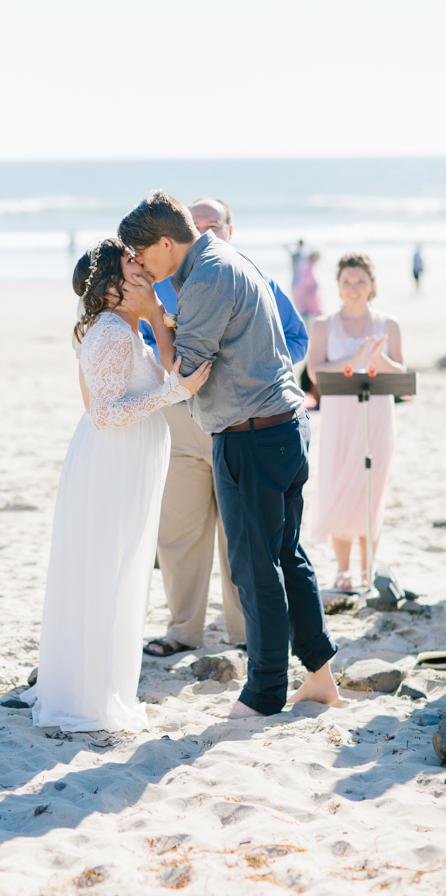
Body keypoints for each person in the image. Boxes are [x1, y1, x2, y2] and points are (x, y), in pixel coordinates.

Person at [118, 192, 338, 718]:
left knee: (254, 567)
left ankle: (264, 694)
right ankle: (321, 676)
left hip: (252, 437)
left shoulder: (207, 278)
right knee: (287, 556)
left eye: (143, 255)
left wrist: (151, 313)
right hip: (281, 427)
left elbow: (188, 376)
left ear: (166, 243)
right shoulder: (225, 258)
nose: (142, 265)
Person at [21, 238, 209, 732]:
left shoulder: (129, 328)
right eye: (131, 263)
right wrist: (173, 393)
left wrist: (153, 315)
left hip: (127, 461)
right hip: (109, 463)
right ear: (109, 285)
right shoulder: (107, 333)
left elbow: (162, 367)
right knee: (105, 572)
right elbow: (102, 414)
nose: (143, 266)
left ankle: (104, 685)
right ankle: (87, 696)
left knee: (120, 571)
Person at [139, 197, 308, 657]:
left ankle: (242, 632)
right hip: (178, 416)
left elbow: (294, 338)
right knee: (178, 531)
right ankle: (183, 629)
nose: (206, 231)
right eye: (198, 224)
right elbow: (145, 342)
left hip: (240, 418)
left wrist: (257, 372)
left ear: (230, 229)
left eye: (213, 224)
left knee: (244, 536)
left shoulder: (249, 274)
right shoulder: (164, 285)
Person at [308, 252, 404, 590]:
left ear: (372, 285)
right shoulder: (322, 324)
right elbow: (313, 371)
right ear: (338, 286)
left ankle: (369, 567)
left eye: (360, 281)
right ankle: (343, 568)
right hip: (338, 415)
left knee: (371, 487)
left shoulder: (388, 323)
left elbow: (402, 376)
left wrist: (380, 359)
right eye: (347, 281)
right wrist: (353, 359)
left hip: (377, 413)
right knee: (338, 482)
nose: (353, 287)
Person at [293, 250, 323, 329]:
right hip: (309, 305)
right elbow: (305, 288)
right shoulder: (308, 269)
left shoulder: (307, 267)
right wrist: (307, 304)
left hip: (308, 304)